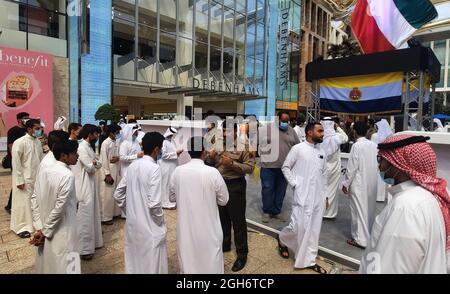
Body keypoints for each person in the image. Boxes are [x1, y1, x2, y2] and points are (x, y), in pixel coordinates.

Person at [360, 135, 450, 274]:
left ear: (399, 165)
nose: (379, 166)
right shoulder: (429, 196)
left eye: (382, 159)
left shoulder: (406, 207)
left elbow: (392, 267)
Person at [169, 137, 229, 274]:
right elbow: (224, 200)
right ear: (204, 151)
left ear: (189, 152)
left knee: (189, 263)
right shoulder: (212, 172)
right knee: (211, 263)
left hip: (186, 230)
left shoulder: (178, 171)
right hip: (209, 231)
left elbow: (171, 197)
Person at [114, 132, 168, 274]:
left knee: (134, 262)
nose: (162, 151)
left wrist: (131, 211)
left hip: (133, 225)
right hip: (150, 227)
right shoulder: (154, 168)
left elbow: (118, 194)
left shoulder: (133, 166)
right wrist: (160, 222)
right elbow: (155, 204)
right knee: (152, 265)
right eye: (161, 148)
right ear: (156, 149)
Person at [277, 122, 328, 274]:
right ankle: (283, 238)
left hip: (318, 197)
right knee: (298, 226)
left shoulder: (322, 152)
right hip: (302, 195)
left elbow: (324, 175)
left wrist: (325, 196)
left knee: (314, 230)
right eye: (319, 131)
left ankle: (309, 260)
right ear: (309, 133)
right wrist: (295, 184)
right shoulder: (298, 149)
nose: (322, 134)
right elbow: (285, 167)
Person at [205, 122, 255, 272]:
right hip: (219, 185)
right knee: (222, 218)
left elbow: (250, 168)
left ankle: (242, 254)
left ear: (235, 131)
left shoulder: (245, 145)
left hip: (235, 186)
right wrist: (210, 157)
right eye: (223, 131)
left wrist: (232, 163)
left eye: (228, 131)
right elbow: (208, 164)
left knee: (238, 221)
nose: (225, 134)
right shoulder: (217, 144)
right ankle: (225, 244)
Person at [30, 140, 80, 274]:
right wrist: (45, 231)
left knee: (50, 261)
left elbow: (34, 198)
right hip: (64, 226)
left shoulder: (44, 171)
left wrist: (39, 226)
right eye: (74, 153)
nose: (78, 156)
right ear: (64, 155)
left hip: (45, 224)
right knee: (69, 260)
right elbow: (60, 208)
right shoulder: (67, 175)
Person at [342, 121, 378, 249]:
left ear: (355, 131)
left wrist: (346, 183)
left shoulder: (357, 146)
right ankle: (368, 235)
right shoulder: (374, 145)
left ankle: (360, 239)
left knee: (358, 211)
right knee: (369, 210)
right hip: (371, 182)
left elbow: (351, 167)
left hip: (359, 183)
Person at [259, 111, 299, 223]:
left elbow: (297, 146)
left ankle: (276, 211)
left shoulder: (291, 131)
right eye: (283, 121)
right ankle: (267, 211)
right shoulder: (267, 128)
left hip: (284, 168)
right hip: (268, 166)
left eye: (287, 121)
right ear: (277, 119)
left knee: (280, 190)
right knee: (267, 189)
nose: (285, 123)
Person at [10, 119, 44, 238]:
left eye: (40, 128)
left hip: (35, 178)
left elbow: (40, 160)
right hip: (24, 179)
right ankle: (21, 227)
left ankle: (33, 225)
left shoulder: (38, 142)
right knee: (23, 204)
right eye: (37, 128)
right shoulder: (19, 142)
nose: (40, 131)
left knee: (34, 202)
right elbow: (16, 163)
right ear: (29, 129)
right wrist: (19, 180)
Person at [75, 124, 103, 260]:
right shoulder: (81, 147)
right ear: (90, 134)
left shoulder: (89, 147)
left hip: (91, 183)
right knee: (85, 215)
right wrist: (95, 163)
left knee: (93, 213)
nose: (97, 136)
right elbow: (91, 167)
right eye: (96, 134)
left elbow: (97, 162)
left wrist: (95, 163)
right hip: (84, 185)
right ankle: (84, 249)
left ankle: (94, 242)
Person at [322, 118, 348, 219]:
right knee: (332, 189)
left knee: (322, 188)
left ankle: (321, 211)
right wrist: (338, 128)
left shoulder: (320, 136)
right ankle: (329, 213)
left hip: (323, 167)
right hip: (334, 168)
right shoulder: (337, 136)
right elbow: (346, 138)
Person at [4, 112, 29, 213]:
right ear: (19, 120)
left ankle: (17, 204)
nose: (27, 119)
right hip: (16, 161)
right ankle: (9, 206)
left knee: (22, 181)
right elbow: (11, 146)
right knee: (17, 181)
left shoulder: (27, 130)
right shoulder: (13, 131)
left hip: (25, 161)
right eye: (25, 118)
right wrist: (15, 160)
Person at [99, 124, 122, 225]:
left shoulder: (115, 142)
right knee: (107, 195)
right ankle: (106, 217)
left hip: (116, 170)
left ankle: (114, 213)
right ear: (111, 133)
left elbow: (118, 156)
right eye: (117, 132)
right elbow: (103, 159)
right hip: (108, 171)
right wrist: (107, 174)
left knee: (115, 193)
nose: (118, 134)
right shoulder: (105, 143)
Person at [370, 119, 394, 202]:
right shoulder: (389, 135)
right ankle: (381, 197)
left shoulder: (374, 136)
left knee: (376, 177)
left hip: (376, 158)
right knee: (382, 178)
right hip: (385, 159)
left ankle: (376, 196)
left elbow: (373, 148)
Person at [160, 127, 183, 210]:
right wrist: (175, 153)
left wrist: (177, 153)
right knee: (165, 184)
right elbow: (163, 155)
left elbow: (173, 153)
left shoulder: (172, 141)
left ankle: (171, 201)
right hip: (166, 166)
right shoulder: (164, 142)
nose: (172, 136)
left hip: (173, 166)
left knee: (171, 184)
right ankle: (164, 202)